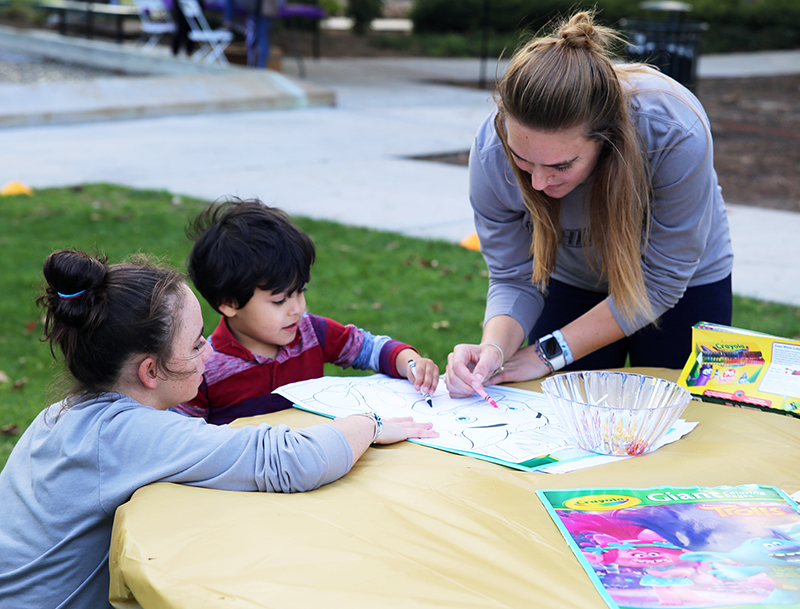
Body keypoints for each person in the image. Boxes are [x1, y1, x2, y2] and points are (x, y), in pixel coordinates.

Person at [0, 249, 437, 609]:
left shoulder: (62, 416)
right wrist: (370, 421)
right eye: (195, 344)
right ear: (151, 370)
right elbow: (296, 461)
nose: (210, 352)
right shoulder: (126, 435)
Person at [445, 11, 733, 397]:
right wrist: (493, 348)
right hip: (573, 281)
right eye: (523, 159)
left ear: (607, 138)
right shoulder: (490, 151)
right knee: (567, 428)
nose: (538, 182)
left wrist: (546, 354)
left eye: (561, 165)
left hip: (682, 286)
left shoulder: (674, 130)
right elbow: (514, 276)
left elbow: (661, 282)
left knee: (684, 425)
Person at [173, 198, 440, 424]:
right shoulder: (202, 370)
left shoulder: (312, 332)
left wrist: (408, 362)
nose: (297, 308)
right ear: (229, 303)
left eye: (300, 291)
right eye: (280, 301)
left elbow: (367, 348)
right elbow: (185, 441)